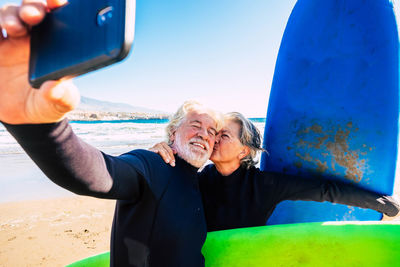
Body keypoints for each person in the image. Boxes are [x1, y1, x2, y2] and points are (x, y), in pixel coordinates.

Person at [0, 1, 223, 266]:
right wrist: (39, 128)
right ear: (173, 131)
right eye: (195, 125)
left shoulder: (202, 182)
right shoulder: (152, 165)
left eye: (212, 131)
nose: (204, 135)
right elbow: (100, 173)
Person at [151, 112, 400, 231]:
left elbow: (325, 191)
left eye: (223, 135)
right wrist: (158, 155)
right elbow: (160, 191)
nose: (213, 140)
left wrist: (381, 204)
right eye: (215, 134)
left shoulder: (265, 185)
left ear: (244, 151)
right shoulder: (198, 179)